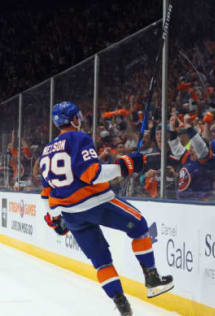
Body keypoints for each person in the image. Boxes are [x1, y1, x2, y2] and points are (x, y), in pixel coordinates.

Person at [39, 102, 174, 316]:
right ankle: (152, 279)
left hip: (71, 214)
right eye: (78, 115)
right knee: (139, 225)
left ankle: (122, 305)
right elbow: (92, 174)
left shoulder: (47, 150)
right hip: (96, 202)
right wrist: (125, 165)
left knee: (101, 263)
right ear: (74, 119)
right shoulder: (79, 138)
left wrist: (55, 218)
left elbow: (46, 194)